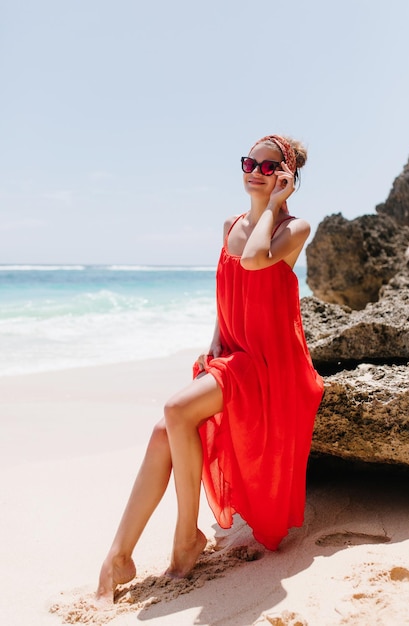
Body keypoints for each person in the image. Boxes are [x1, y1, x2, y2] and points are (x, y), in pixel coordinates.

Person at [96, 134, 324, 603]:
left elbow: (256, 260)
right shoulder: (230, 223)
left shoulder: (294, 229)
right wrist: (214, 342)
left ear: (287, 176)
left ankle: (187, 536)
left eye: (267, 167)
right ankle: (119, 555)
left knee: (175, 409)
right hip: (232, 353)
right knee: (164, 430)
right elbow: (227, 289)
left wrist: (272, 205)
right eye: (248, 163)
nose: (253, 172)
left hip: (267, 366)